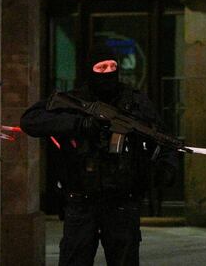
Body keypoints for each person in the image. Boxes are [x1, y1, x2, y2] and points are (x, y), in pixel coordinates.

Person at [21, 56, 178, 266]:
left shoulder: (135, 102)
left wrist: (166, 167)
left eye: (113, 66)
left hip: (122, 202)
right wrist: (78, 124)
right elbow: (30, 121)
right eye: (101, 67)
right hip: (80, 201)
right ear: (90, 70)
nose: (108, 72)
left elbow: (162, 136)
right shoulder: (75, 100)